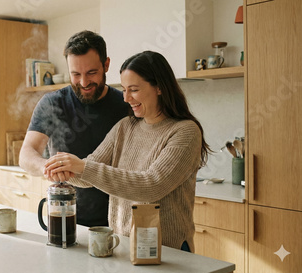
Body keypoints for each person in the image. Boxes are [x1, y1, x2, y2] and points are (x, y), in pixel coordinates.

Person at [43, 51, 212, 253]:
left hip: (167, 250)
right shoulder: (126, 126)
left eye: (133, 89)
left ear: (159, 87)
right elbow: (88, 175)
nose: (126, 98)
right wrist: (66, 171)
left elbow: (151, 185)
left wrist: (81, 166)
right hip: (123, 245)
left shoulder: (185, 131)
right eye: (123, 90)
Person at [19, 30, 130, 227]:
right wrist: (47, 167)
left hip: (117, 221)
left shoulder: (125, 105)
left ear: (106, 65)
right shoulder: (53, 103)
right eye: (76, 74)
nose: (84, 82)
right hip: (64, 215)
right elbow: (27, 153)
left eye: (91, 73)